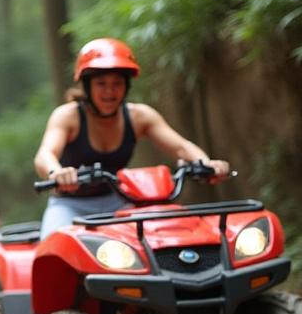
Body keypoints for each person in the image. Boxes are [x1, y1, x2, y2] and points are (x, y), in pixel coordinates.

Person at [33, 38, 231, 236]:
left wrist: (207, 164)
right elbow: (45, 154)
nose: (109, 91)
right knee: (51, 246)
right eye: (101, 84)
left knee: (163, 236)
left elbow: (181, 147)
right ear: (87, 86)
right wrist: (56, 173)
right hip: (69, 205)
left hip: (122, 203)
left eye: (117, 83)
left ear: (126, 86)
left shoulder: (139, 117)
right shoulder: (68, 116)